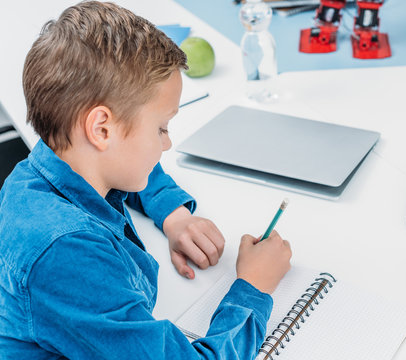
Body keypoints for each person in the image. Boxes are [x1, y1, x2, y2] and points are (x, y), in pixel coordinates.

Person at [0, 2, 292, 359]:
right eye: (161, 128)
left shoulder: (46, 167)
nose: (167, 143)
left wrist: (174, 214)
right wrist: (253, 287)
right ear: (101, 129)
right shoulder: (68, 256)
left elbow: (123, 162)